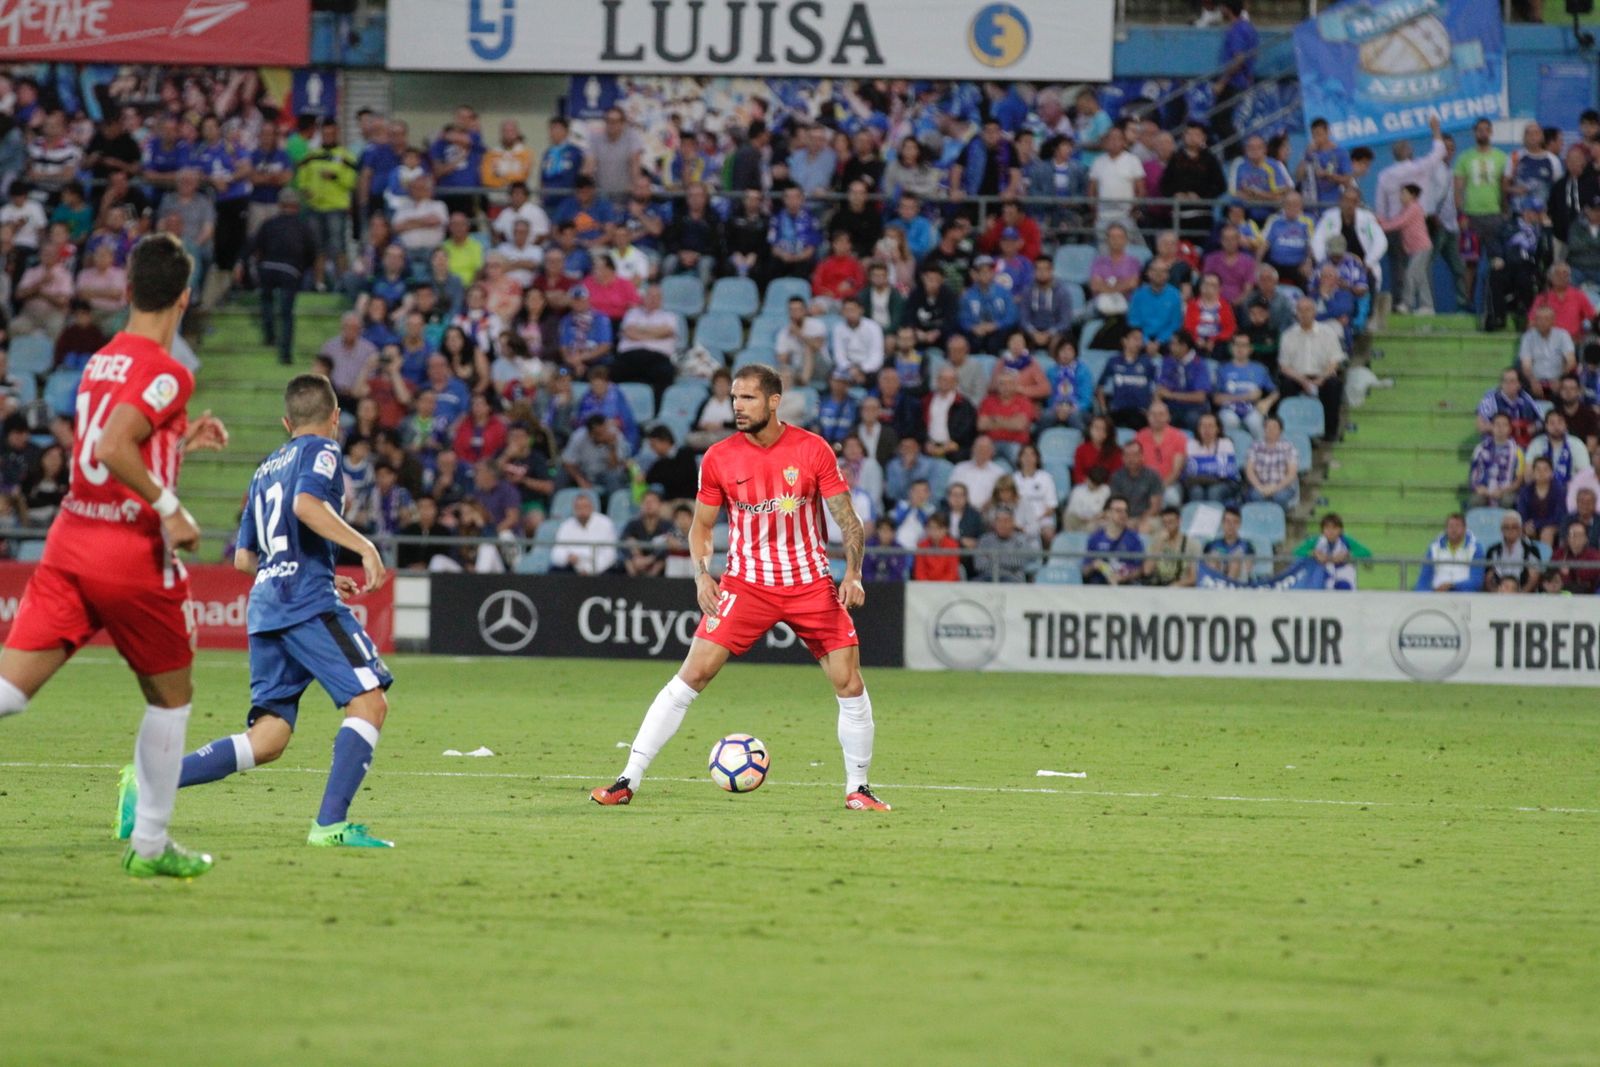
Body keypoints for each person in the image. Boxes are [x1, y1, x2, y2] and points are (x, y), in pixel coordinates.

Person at [0, 234, 229, 878]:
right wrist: (171, 508)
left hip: (70, 539)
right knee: (171, 697)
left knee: (11, 692)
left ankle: (153, 845)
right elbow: (113, 445)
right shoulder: (169, 371)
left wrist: (178, 442)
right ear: (184, 298)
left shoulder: (100, 361)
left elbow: (107, 451)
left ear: (126, 291)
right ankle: (151, 847)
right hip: (128, 552)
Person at [591, 364, 887, 810]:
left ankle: (858, 789)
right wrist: (701, 574)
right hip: (746, 584)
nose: (737, 406)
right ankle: (626, 780)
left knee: (849, 683)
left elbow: (847, 520)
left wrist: (854, 574)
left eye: (747, 398)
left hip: (809, 584)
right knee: (691, 676)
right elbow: (702, 526)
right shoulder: (719, 457)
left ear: (773, 400)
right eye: (734, 398)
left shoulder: (813, 450)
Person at [138, 373, 393, 848]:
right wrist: (365, 548)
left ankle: (147, 782)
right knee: (369, 700)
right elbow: (305, 505)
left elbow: (242, 558)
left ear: (285, 421)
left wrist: (316, 566)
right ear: (335, 417)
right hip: (304, 602)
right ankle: (330, 825)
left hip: (268, 603)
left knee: (269, 737)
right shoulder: (323, 449)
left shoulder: (264, 468)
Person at [240, 187, 318, 365]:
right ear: (297, 206)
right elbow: (312, 252)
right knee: (287, 313)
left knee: (267, 301)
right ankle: (286, 354)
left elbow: (253, 245)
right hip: (290, 270)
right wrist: (303, 270)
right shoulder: (303, 227)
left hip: (268, 267)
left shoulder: (269, 224)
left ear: (280, 205)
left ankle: (269, 335)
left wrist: (243, 263)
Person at [1278, 297, 1346, 439]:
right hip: (1297, 377)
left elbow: (1334, 362)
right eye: (1300, 310)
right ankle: (1289, 430)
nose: (1304, 313)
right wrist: (1302, 380)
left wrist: (1321, 379)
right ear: (1296, 313)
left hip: (1322, 376)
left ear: (1314, 312)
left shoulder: (1328, 333)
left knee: (1333, 385)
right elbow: (1284, 366)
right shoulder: (1288, 335)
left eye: (1307, 310)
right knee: (1285, 385)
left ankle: (1330, 432)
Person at [1378, 182, 1434, 315]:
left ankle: (1406, 304)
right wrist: (1381, 221)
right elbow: (1395, 221)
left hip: (1422, 247)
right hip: (1415, 250)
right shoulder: (1406, 209)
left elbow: (1398, 223)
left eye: (1404, 194)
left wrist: (1381, 225)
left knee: (1410, 274)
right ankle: (1427, 306)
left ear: (1413, 196)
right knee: (1420, 277)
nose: (1401, 197)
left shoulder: (1414, 208)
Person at [1098, 327, 1157, 430]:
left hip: (1140, 412)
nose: (1138, 343)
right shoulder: (1113, 361)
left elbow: (1157, 388)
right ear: (1124, 341)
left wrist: (1151, 410)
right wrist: (1104, 410)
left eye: (1140, 339)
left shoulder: (1147, 363)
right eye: (1135, 339)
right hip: (1117, 410)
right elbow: (1100, 387)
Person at [551, 491, 619, 576]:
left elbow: (609, 555)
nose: (582, 510)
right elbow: (556, 552)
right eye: (578, 507)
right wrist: (567, 558)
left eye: (585, 507)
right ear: (574, 509)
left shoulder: (605, 524)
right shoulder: (566, 525)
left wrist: (589, 570)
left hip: (599, 569)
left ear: (592, 507)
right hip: (572, 568)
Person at [1518, 305, 1576, 400]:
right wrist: (1533, 381)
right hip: (1535, 380)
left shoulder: (1563, 335)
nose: (1542, 322)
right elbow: (1526, 365)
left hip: (1558, 380)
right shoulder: (1528, 337)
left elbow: (1571, 361)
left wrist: (1561, 379)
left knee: (1568, 387)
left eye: (1546, 319)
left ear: (1553, 321)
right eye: (1539, 319)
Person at [1469, 413, 1525, 508]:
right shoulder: (1480, 449)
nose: (1500, 428)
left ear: (1509, 429)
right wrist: (1479, 489)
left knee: (1508, 501)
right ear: (1492, 427)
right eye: (1497, 425)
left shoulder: (1517, 451)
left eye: (1504, 425)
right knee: (1476, 500)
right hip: (1484, 490)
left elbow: (1519, 480)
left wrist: (1503, 491)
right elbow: (1473, 474)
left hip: (1506, 491)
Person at [1083, 496, 1143, 584]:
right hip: (1098, 590)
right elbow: (1084, 571)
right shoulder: (1095, 538)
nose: (1123, 514)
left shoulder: (1134, 539)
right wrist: (1094, 565)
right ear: (1107, 513)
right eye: (1118, 511)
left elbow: (1140, 570)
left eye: (1126, 511)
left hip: (1125, 589)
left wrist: (1123, 578)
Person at [1416, 513, 1482, 592]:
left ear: (1465, 528)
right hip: (1437, 596)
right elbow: (1423, 580)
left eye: (1457, 526)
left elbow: (1476, 582)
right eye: (1450, 526)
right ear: (1446, 529)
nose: (1454, 530)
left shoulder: (1475, 549)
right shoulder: (1434, 548)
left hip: (1465, 597)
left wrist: (1452, 586)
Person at [1245, 415, 1299, 508]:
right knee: (1255, 496)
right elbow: (1249, 471)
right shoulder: (1255, 446)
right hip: (1260, 485)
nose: (1270, 429)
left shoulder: (1289, 447)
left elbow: (1291, 474)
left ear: (1280, 430)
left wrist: (1274, 488)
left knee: (1280, 497)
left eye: (1274, 427)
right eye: (1267, 427)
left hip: (1283, 487)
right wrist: (1259, 487)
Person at [1476, 367, 1542, 443]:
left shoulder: (1526, 398)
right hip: (1496, 442)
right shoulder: (1491, 399)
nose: (1508, 385)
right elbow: (1480, 426)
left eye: (1512, 381)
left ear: (1519, 384)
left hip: (1521, 443)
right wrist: (1501, 429)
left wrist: (1533, 427)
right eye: (1505, 381)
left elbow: (1540, 421)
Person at [973, 507, 1039, 583]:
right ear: (994, 523)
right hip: (987, 578)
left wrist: (993, 558)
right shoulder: (985, 540)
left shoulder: (1021, 540)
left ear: (1012, 523)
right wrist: (1008, 558)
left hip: (1012, 579)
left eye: (1006, 521)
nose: (1002, 524)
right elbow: (979, 565)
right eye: (999, 521)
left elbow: (1019, 562)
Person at [1141, 505, 1199, 587]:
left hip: (1181, 588)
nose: (1167, 526)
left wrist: (1175, 586)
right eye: (1165, 523)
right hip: (1158, 586)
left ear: (1179, 521)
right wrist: (1159, 545)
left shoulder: (1192, 544)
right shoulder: (1156, 541)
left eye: (1171, 522)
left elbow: (1193, 578)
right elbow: (1147, 571)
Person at [1518, 455, 1568, 548]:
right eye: (1538, 469)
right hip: (1531, 525)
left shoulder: (1559, 491)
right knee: (1520, 531)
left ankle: (1545, 562)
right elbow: (1521, 512)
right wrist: (1525, 525)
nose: (1541, 473)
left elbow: (1559, 517)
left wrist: (1536, 524)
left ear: (1552, 472)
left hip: (1553, 526)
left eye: (1545, 470)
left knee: (1546, 532)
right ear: (1533, 472)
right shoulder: (1525, 491)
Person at [1203, 506, 1253, 581]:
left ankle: (1228, 586)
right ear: (1222, 523)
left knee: (1236, 558)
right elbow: (1205, 568)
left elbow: (1248, 569)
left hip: (1238, 583)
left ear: (1239, 524)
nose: (1231, 525)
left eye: (1235, 522)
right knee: (1214, 556)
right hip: (1216, 580)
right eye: (1228, 522)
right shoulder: (1211, 545)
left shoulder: (1247, 546)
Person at [1552, 519, 1600, 594]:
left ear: (1586, 539)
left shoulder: (1595, 556)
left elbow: (1590, 582)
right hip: (1560, 596)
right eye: (1572, 534)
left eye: (1579, 535)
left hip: (1588, 598)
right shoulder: (1559, 554)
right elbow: (1549, 575)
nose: (1576, 538)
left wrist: (1567, 574)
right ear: (1567, 538)